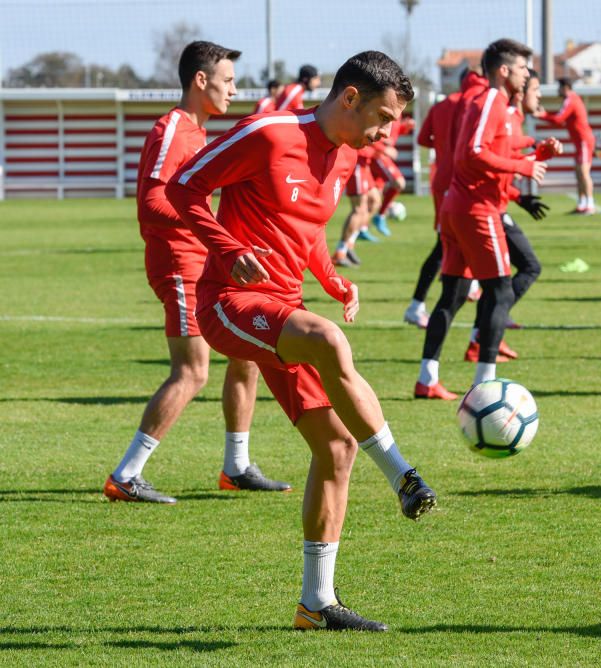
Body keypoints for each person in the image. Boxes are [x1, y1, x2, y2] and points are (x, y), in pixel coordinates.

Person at [165, 50, 436, 631]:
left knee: (336, 449)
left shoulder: (343, 157)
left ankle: (316, 604)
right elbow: (182, 186)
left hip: (283, 307)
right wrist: (228, 248)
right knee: (328, 339)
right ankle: (403, 476)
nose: (387, 133)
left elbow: (306, 229)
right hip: (228, 303)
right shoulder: (268, 133)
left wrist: (334, 278)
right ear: (349, 98)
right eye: (384, 119)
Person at [103, 41, 289, 505]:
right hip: (180, 265)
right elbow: (151, 201)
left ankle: (237, 466)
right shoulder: (173, 128)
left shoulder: (199, 134)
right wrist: (213, 229)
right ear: (200, 81)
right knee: (192, 372)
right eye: (227, 80)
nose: (234, 89)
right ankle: (126, 474)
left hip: (206, 263)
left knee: (246, 354)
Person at [416, 38, 547, 400]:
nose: (526, 75)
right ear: (504, 71)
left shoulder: (490, 102)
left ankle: (427, 379)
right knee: (500, 290)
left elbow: (488, 146)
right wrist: (525, 165)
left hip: (458, 207)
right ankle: (484, 383)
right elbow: (474, 152)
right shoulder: (491, 99)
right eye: (522, 68)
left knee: (454, 295)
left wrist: (531, 148)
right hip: (478, 208)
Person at [464, 67, 559, 358]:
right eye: (536, 90)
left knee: (498, 282)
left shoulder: (513, 118)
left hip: (494, 205)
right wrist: (532, 155)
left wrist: (535, 158)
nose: (540, 95)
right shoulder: (505, 115)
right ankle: (483, 338)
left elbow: (508, 162)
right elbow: (493, 160)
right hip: (484, 207)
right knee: (519, 272)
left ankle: (484, 335)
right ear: (520, 91)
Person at [404, 69, 488, 329]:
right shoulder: (477, 103)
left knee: (455, 239)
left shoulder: (443, 104)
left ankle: (471, 285)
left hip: (442, 180)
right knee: (446, 243)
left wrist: (442, 146)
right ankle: (416, 304)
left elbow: (421, 139)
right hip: (460, 181)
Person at [535, 77, 595, 214]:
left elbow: (558, 119)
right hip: (580, 142)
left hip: (584, 141)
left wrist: (542, 115)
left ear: (566, 87)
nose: (558, 90)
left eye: (559, 87)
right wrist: (544, 115)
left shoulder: (571, 100)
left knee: (584, 172)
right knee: (579, 172)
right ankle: (582, 204)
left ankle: (590, 204)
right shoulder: (571, 99)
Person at [370, 116, 415, 237]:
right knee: (399, 182)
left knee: (374, 199)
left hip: (380, 154)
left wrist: (405, 127)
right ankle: (380, 216)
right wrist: (384, 148)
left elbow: (393, 131)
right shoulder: (385, 105)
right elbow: (369, 130)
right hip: (377, 154)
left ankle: (361, 229)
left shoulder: (398, 109)